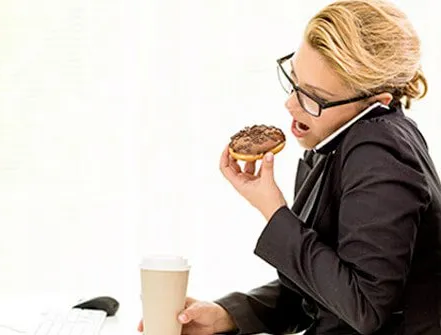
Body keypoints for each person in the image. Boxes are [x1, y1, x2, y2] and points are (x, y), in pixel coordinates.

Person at [137, 0, 441, 334]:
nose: (291, 104)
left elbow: (364, 308)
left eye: (315, 97)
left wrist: (273, 209)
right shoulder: (336, 138)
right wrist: (227, 315)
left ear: (377, 101)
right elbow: (320, 291)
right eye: (294, 80)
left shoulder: (380, 152)